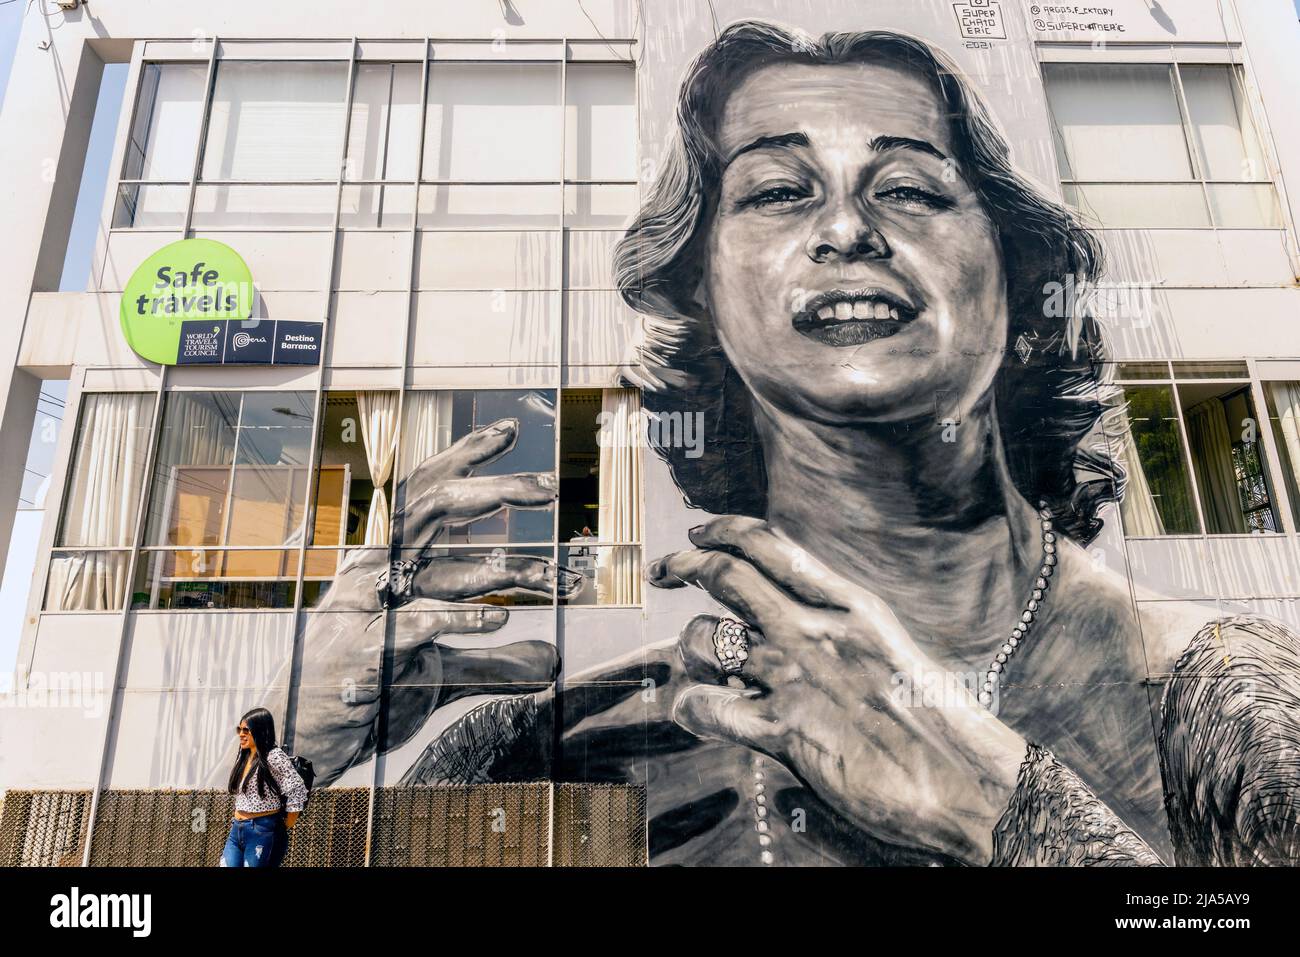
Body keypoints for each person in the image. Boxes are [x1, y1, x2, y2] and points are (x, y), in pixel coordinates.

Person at [284, 21, 1300, 866]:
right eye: (776, 192)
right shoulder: (541, 753)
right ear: (700, 286)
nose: (847, 230)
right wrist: (289, 762)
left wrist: (1006, 815)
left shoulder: (1227, 705)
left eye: (908, 189)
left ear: (1015, 271)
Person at [220, 707, 308, 868]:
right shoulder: (244, 755)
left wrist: (286, 824)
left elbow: (297, 789)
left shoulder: (273, 756)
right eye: (239, 729)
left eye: (246, 730)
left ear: (260, 731)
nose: (241, 734)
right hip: (237, 829)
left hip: (261, 829)